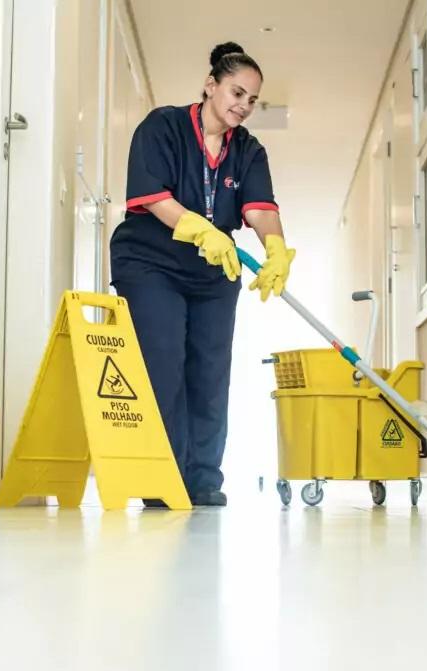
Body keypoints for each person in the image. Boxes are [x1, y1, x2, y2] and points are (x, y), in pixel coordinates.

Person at [109, 41, 295, 507]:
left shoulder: (249, 150)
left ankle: (203, 479)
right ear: (210, 86)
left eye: (252, 100)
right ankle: (162, 478)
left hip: (213, 270)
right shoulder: (163, 126)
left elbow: (260, 208)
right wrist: (198, 228)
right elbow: (152, 196)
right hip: (151, 261)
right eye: (236, 93)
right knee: (165, 363)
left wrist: (276, 248)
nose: (243, 106)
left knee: (211, 371)